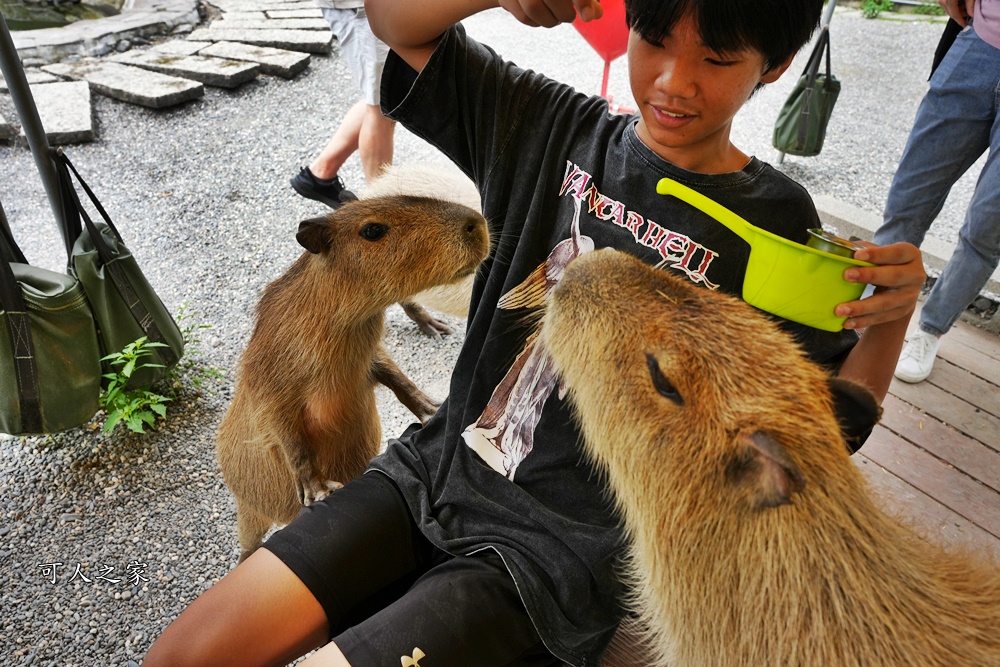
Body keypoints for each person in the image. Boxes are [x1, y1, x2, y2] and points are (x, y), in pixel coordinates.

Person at [144, 1, 925, 665]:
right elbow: (388, 20)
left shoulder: (777, 225)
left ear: (777, 65)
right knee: (182, 654)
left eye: (717, 59)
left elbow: (823, 427)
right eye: (654, 39)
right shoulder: (551, 126)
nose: (673, 81)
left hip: (552, 560)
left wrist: (888, 315)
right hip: (431, 473)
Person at [873, 0, 1000, 383]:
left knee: (988, 225)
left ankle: (929, 329)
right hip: (979, 44)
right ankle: (869, 308)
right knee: (908, 200)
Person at [289, 0, 396, 208]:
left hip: (368, 7)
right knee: (382, 105)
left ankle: (320, 173)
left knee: (385, 97)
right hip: (360, 7)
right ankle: (378, 208)